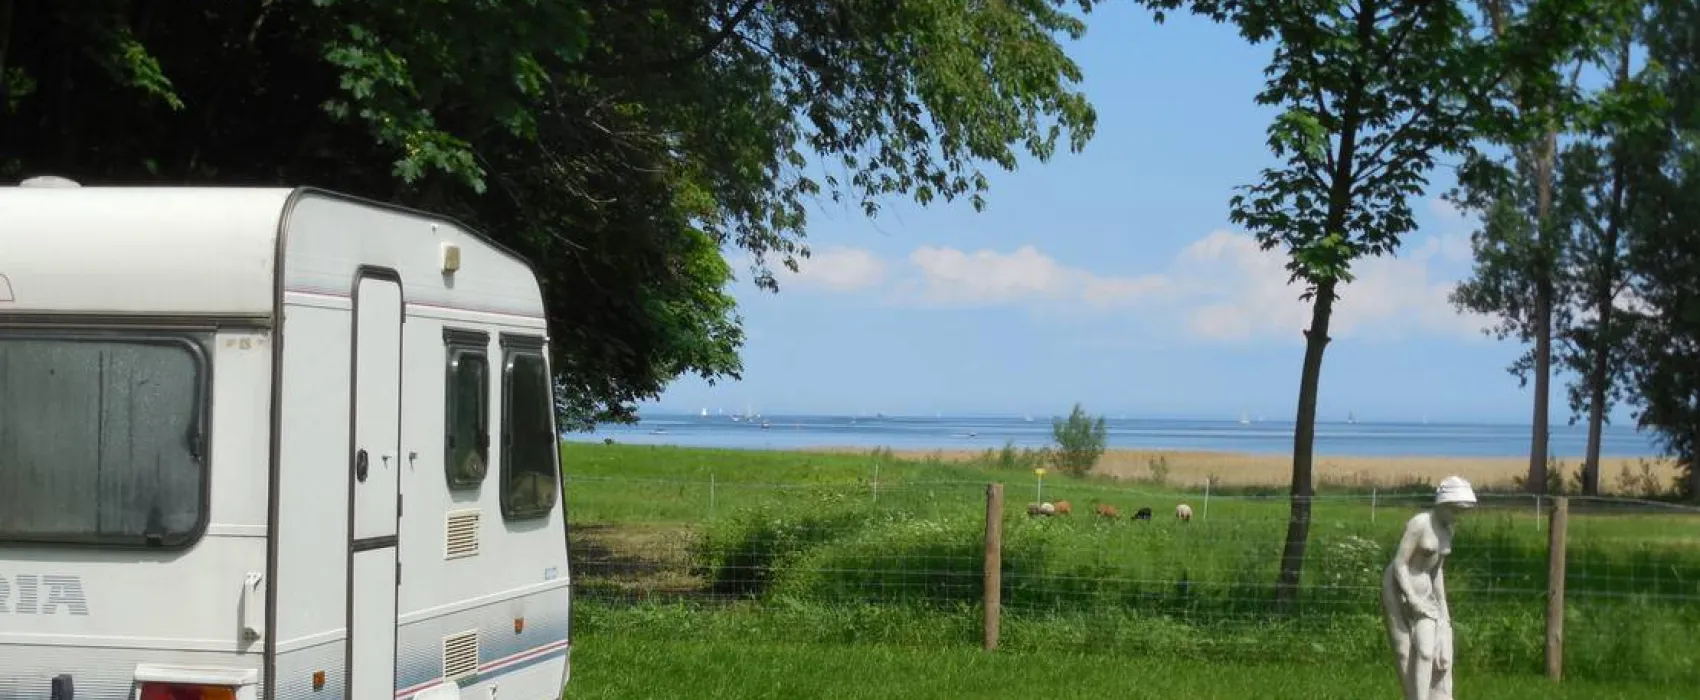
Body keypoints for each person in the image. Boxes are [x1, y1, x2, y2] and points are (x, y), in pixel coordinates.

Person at [1381, 476, 1476, 700]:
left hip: (1426, 594)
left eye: (1460, 511)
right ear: (1442, 504)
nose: (1456, 515)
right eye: (1454, 509)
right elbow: (1400, 563)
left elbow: (1436, 572)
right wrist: (1411, 598)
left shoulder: (1448, 530)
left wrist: (1443, 611)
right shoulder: (1420, 523)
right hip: (1398, 588)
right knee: (1404, 650)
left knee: (1428, 651)